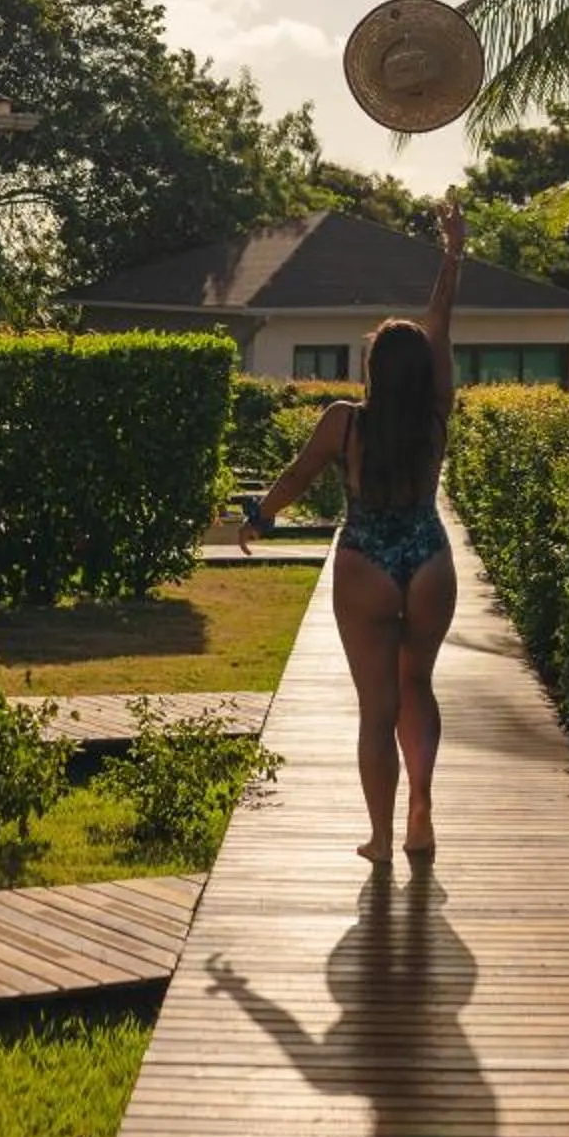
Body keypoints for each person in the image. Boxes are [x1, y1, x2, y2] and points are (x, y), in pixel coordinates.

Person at [240, 199, 464, 864]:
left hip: (366, 559)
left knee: (376, 708)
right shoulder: (436, 412)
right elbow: (441, 323)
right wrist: (451, 254)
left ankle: (381, 837)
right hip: (427, 557)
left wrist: (260, 517)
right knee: (417, 687)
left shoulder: (343, 421)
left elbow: (297, 476)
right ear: (422, 371)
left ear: (371, 372)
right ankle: (421, 804)